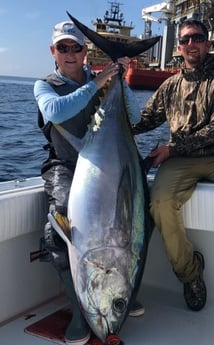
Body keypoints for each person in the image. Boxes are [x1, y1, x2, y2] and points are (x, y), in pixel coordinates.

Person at [133, 19, 214, 312]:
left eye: (198, 38)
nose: (192, 44)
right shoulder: (170, 86)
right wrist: (105, 114)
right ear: (179, 47)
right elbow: (144, 120)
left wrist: (171, 148)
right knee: (160, 203)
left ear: (208, 43)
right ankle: (190, 274)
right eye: (186, 40)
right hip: (181, 161)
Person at [34, 21, 144, 345]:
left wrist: (121, 81)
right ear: (53, 52)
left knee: (140, 214)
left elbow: (134, 120)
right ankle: (80, 314)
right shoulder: (45, 86)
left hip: (105, 164)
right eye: (63, 48)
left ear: (85, 52)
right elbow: (55, 111)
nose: (70, 54)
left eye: (76, 48)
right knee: (55, 235)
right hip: (65, 165)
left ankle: (125, 288)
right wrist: (100, 81)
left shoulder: (107, 80)